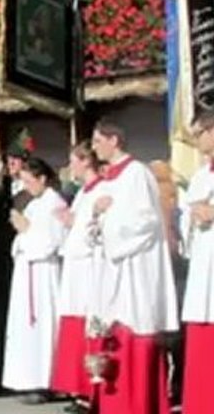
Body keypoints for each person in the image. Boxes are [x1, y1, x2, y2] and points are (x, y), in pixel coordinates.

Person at [90, 119, 178, 414]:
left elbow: (146, 221)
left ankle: (138, 405)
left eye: (97, 140)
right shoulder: (109, 179)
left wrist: (109, 219)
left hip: (134, 271)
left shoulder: (137, 173)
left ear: (114, 140)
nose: (93, 147)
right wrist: (97, 216)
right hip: (112, 270)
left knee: (134, 331)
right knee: (110, 334)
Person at [1, 157, 68, 404]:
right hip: (27, 270)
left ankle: (45, 381)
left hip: (43, 273)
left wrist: (25, 230)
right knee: (27, 327)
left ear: (42, 179)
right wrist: (23, 233)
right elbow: (21, 241)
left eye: (29, 181)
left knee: (43, 325)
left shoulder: (54, 203)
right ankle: (27, 378)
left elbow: (50, 243)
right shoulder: (35, 204)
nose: (27, 186)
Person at [50, 142, 104, 410]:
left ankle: (91, 389)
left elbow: (94, 227)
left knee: (88, 323)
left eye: (73, 161)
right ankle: (79, 386)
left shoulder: (100, 190)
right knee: (74, 323)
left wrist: (74, 222)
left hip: (89, 267)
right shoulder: (84, 191)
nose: (70, 166)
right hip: (76, 265)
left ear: (85, 162)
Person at [180, 110, 214, 414]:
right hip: (204, 264)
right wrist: (192, 218)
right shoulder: (201, 175)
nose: (197, 141)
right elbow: (187, 218)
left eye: (200, 133)